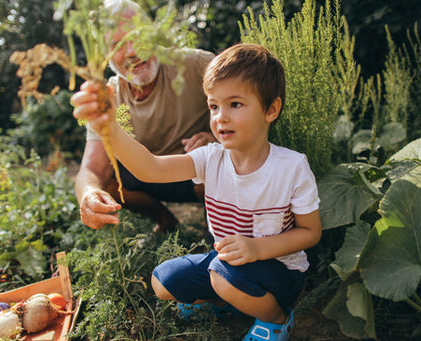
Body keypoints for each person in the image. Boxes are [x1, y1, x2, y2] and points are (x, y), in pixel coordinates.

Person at [71, 43, 322, 341]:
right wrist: (110, 127)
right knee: (162, 281)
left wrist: (257, 249)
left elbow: (310, 232)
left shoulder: (291, 167)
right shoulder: (210, 157)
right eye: (213, 106)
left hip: (279, 271)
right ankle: (225, 301)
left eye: (235, 105)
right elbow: (150, 168)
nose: (220, 117)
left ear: (271, 109)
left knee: (221, 275)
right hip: (227, 264)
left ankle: (278, 319)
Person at [74, 0, 215, 232]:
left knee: (215, 161)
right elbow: (91, 169)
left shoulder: (197, 65)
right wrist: (89, 194)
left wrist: (219, 139)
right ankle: (166, 223)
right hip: (150, 177)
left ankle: (219, 230)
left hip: (199, 177)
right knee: (108, 182)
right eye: (117, 44)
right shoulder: (107, 97)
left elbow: (250, 108)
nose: (131, 52)